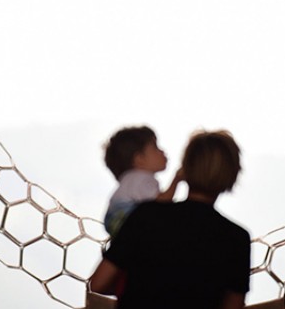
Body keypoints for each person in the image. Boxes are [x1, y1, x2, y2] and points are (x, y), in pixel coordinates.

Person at [91, 130, 251, 309]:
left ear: (186, 169)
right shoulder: (237, 239)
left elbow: (98, 284)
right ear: (232, 175)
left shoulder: (146, 215)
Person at [103, 126, 183, 237]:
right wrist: (177, 179)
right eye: (155, 147)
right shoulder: (140, 178)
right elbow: (162, 201)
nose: (162, 151)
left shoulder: (130, 179)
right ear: (139, 159)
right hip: (123, 217)